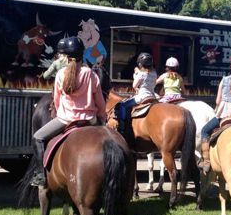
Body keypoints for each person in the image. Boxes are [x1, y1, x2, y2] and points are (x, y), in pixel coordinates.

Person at [31, 36, 107, 186]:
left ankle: (40, 175)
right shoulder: (91, 74)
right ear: (82, 54)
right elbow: (100, 102)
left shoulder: (60, 74)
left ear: (65, 56)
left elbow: (57, 101)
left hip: (66, 119)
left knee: (37, 137)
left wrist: (60, 113)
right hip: (89, 120)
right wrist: (102, 119)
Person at [114, 52, 157, 135]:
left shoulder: (141, 74)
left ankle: (122, 128)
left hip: (142, 97)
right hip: (152, 96)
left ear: (140, 64)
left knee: (123, 105)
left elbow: (134, 85)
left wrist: (136, 74)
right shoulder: (154, 74)